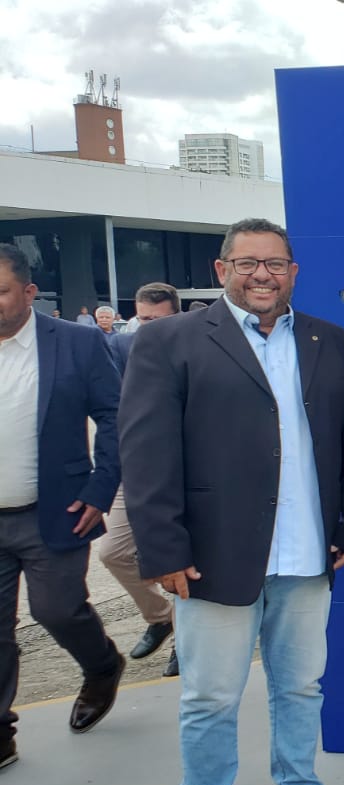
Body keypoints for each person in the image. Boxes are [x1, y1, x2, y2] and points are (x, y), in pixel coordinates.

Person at [120, 219, 344, 785]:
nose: (262, 274)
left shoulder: (327, 340)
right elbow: (145, 453)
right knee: (210, 698)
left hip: (306, 553)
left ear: (294, 271)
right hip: (212, 558)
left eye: (276, 263)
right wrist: (162, 547)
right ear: (222, 269)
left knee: (301, 688)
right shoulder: (169, 340)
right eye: (248, 263)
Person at [0, 243, 126, 774]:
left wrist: (101, 489)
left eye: (1, 291)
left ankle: (102, 664)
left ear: (30, 292)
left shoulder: (76, 343)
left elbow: (116, 417)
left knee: (57, 610)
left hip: (57, 509)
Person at [101, 283, 184, 677]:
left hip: (187, 471)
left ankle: (185, 641)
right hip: (135, 469)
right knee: (112, 553)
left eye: (157, 320)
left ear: (176, 316)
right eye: (143, 319)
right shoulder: (120, 348)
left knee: (185, 556)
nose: (148, 327)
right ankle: (160, 616)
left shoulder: (199, 347)